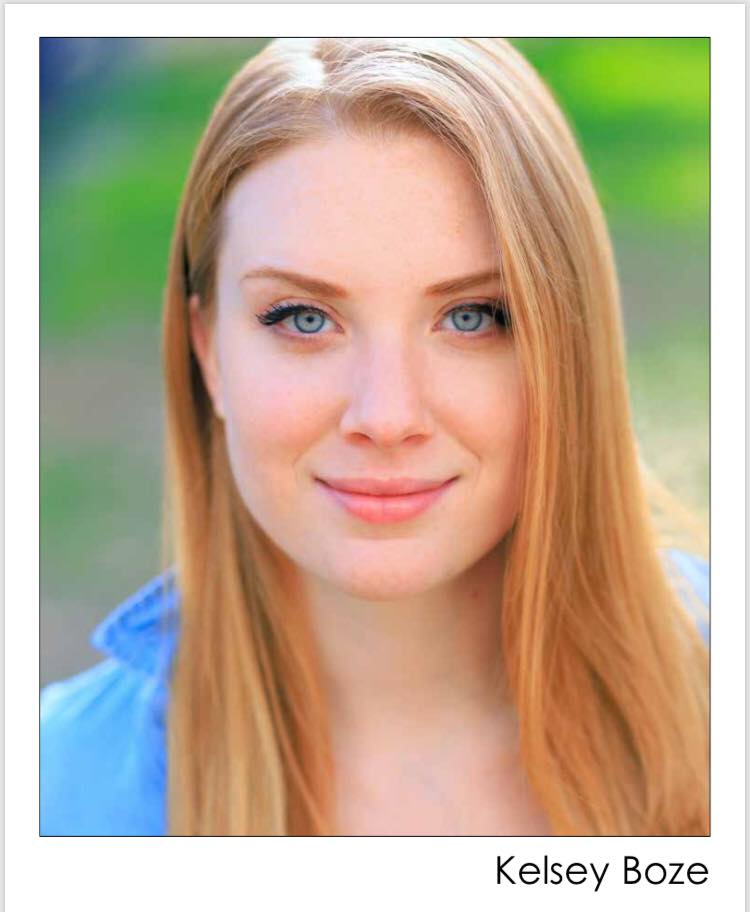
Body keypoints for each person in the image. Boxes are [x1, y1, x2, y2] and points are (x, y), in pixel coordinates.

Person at [40, 37, 709, 837]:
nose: (387, 416)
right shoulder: (54, 795)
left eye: (473, 317)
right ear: (208, 351)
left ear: (572, 347)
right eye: (303, 319)